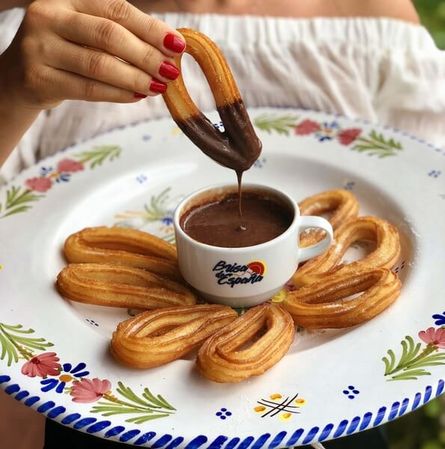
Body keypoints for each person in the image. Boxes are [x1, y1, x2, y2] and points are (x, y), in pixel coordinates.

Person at [0, 1, 444, 448]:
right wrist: (11, 91)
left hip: (334, 413)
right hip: (104, 419)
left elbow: (430, 184)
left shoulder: (375, 19)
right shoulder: (51, 25)